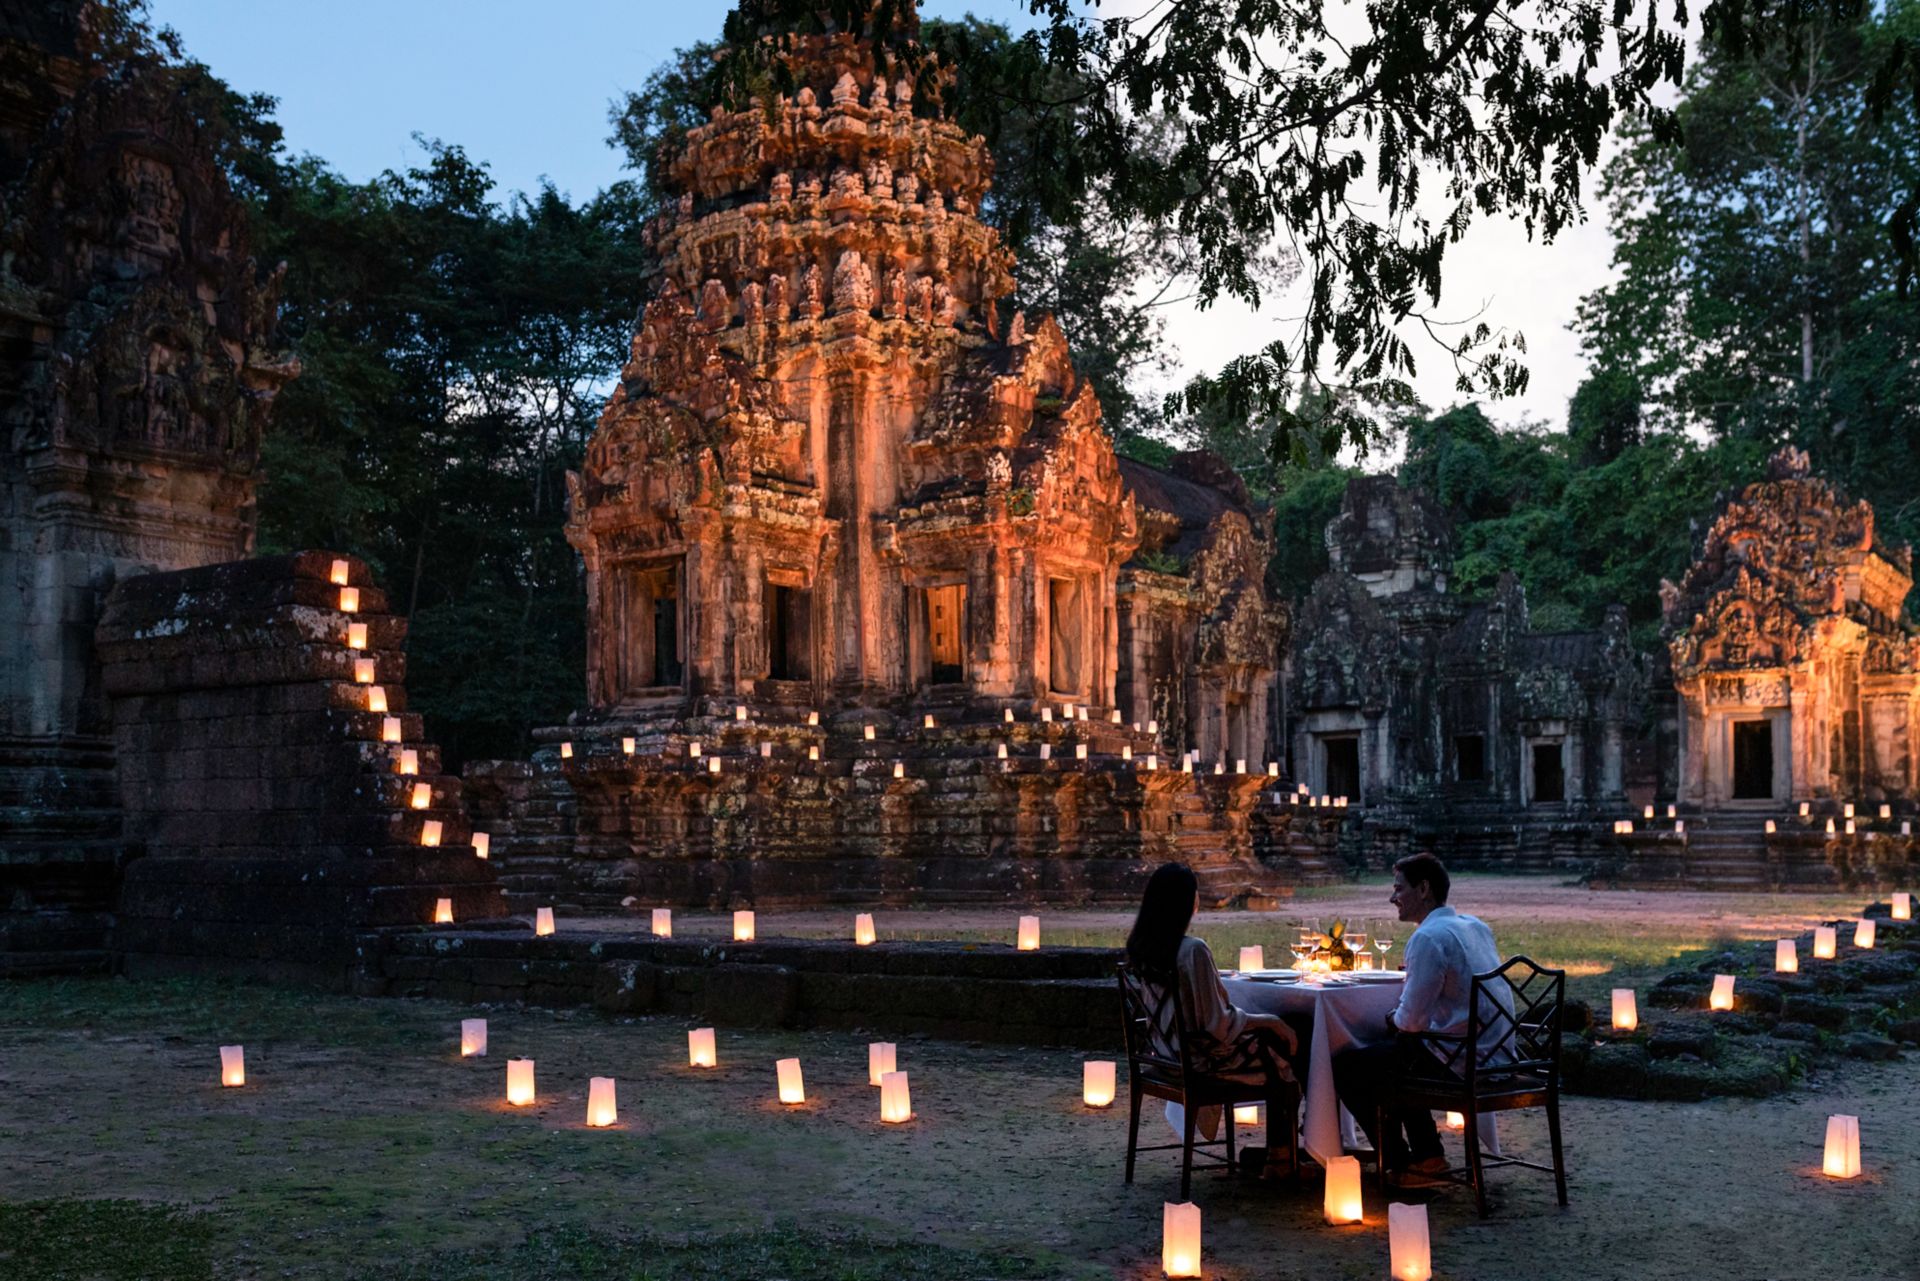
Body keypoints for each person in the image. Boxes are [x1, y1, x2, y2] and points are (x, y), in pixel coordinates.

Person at [1331, 851, 1506, 1187]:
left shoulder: (1427, 937)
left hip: (1461, 1059)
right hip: (1498, 1053)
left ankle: (1405, 1160)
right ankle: (1428, 1155)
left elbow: (1409, 1022)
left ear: (1423, 889)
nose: (1392, 897)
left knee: (1350, 1066)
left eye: (1399, 889)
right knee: (1397, 1053)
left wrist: (1391, 1016)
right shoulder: (1475, 926)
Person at [1123, 861, 1307, 1177]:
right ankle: (1283, 1155)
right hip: (1202, 1061)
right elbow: (1216, 1025)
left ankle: (1284, 1153)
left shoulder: (1142, 947)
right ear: (1187, 900)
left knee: (1280, 1033)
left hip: (1166, 1055)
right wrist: (1269, 1022)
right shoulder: (1192, 950)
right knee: (1295, 1035)